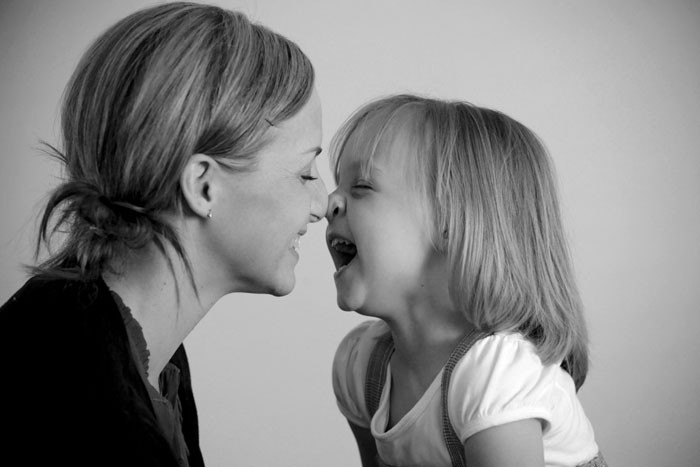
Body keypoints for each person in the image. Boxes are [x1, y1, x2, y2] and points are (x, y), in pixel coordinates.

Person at [0, 3, 327, 466]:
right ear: (203, 186)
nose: (321, 206)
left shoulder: (143, 358)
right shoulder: (82, 407)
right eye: (305, 173)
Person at [326, 94, 606, 467]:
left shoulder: (495, 375)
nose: (329, 201)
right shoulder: (360, 366)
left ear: (451, 222)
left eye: (361, 186)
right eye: (337, 184)